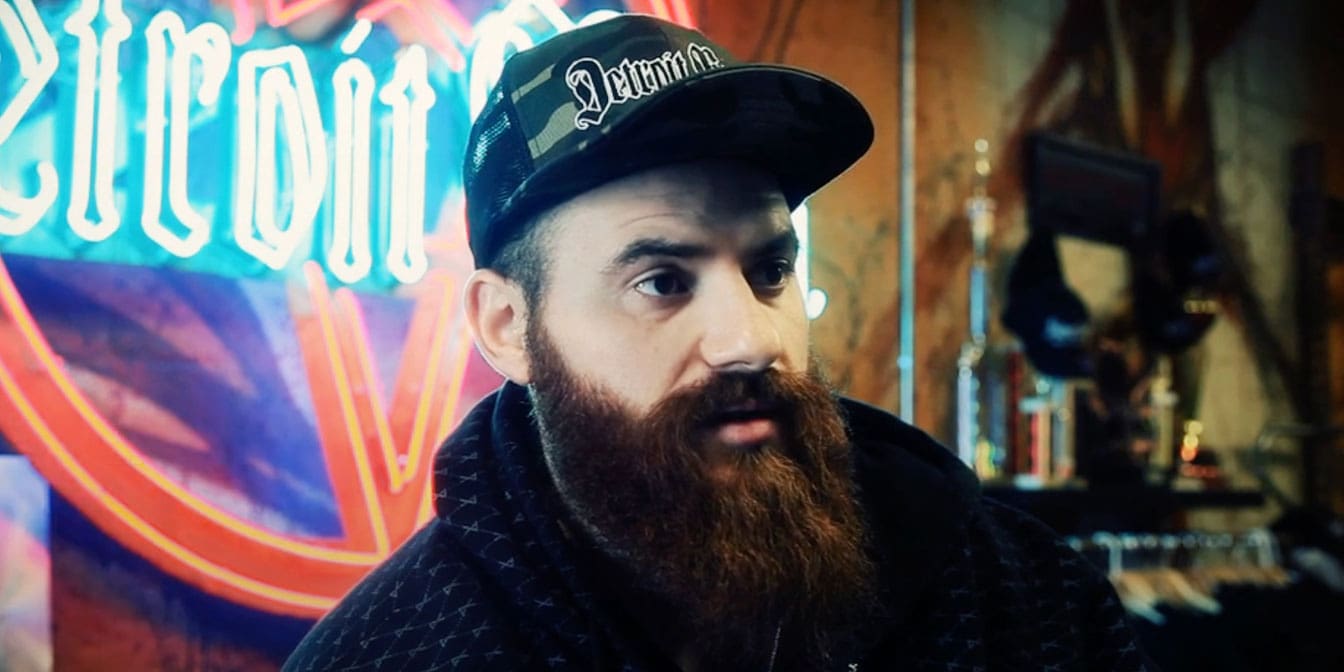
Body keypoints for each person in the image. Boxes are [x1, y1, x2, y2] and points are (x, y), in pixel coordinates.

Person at [284, 14, 1151, 671]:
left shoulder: (1019, 600)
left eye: (771, 269)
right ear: (508, 328)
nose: (750, 339)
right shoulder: (401, 651)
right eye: (662, 281)